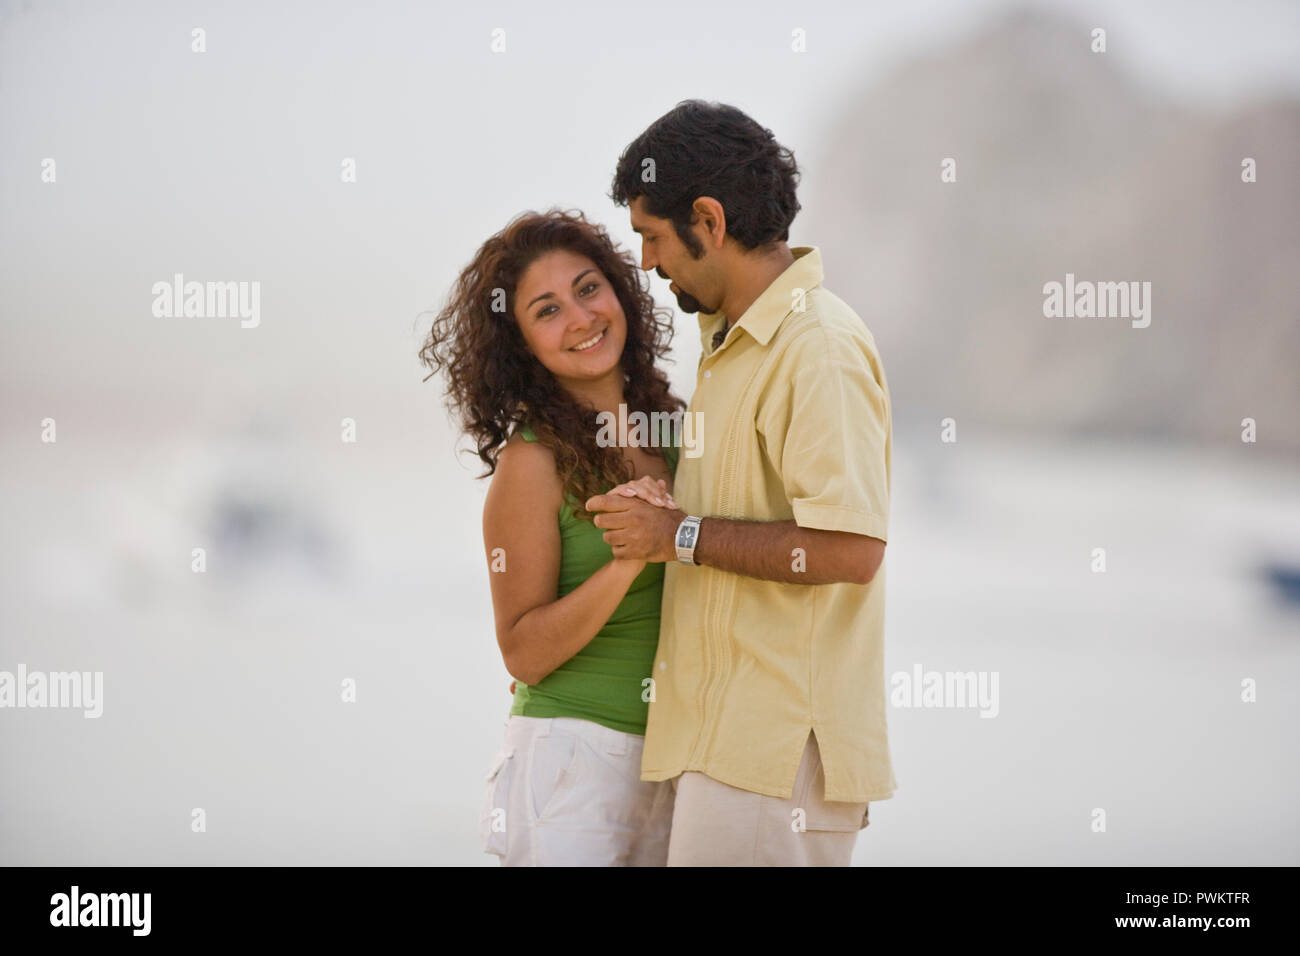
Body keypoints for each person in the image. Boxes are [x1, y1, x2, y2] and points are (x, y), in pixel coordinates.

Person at [587, 100, 898, 866]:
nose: (649, 264)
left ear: (709, 220)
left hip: (775, 761)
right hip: (720, 748)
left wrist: (680, 537)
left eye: (653, 238)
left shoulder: (816, 348)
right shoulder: (733, 346)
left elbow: (853, 548)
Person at [418, 209, 687, 866]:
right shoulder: (531, 462)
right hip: (573, 756)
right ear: (522, 345)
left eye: (588, 289)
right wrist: (626, 562)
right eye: (547, 310)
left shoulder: (677, 432)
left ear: (619, 293)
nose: (581, 317)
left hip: (680, 755)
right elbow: (523, 653)